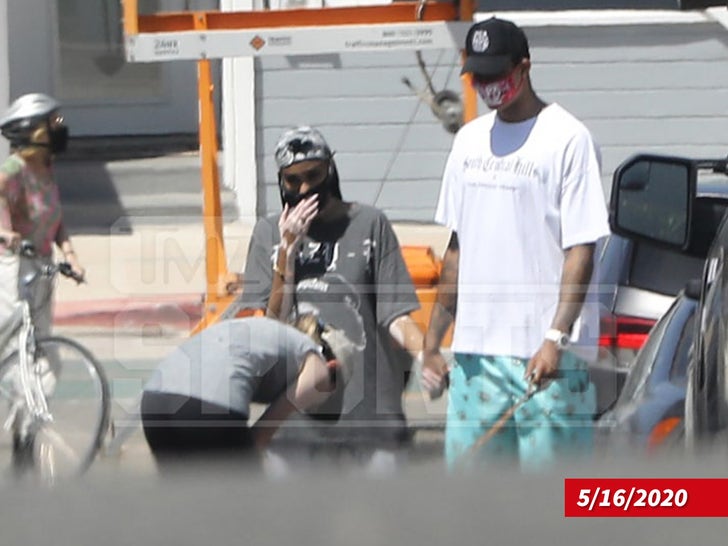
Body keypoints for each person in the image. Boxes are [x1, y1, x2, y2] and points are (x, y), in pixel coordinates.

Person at [421, 17, 610, 471]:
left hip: (546, 359)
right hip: (475, 357)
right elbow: (457, 249)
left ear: (524, 67)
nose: (487, 85)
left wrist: (554, 338)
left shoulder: (568, 139)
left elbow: (580, 249)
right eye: (478, 76)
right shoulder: (468, 141)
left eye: (496, 73)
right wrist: (433, 341)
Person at [238, 126, 424, 475]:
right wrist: (287, 256)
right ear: (281, 182)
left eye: (314, 175)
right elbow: (268, 325)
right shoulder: (267, 234)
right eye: (293, 181)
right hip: (295, 419)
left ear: (330, 170)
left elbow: (395, 312)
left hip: (369, 414)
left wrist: (427, 356)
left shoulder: (370, 223)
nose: (305, 188)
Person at [140, 315, 356, 470]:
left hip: (155, 398)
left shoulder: (275, 337)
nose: (313, 407)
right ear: (333, 367)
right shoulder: (317, 366)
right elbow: (260, 437)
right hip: (208, 404)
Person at [0, 93, 85, 355]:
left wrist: (70, 256)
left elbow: (54, 218)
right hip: (14, 264)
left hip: (43, 263)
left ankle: (35, 395)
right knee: (15, 339)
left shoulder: (47, 169)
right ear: (34, 131)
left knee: (40, 339)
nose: (60, 128)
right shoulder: (14, 170)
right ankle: (20, 394)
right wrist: (3, 232)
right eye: (54, 123)